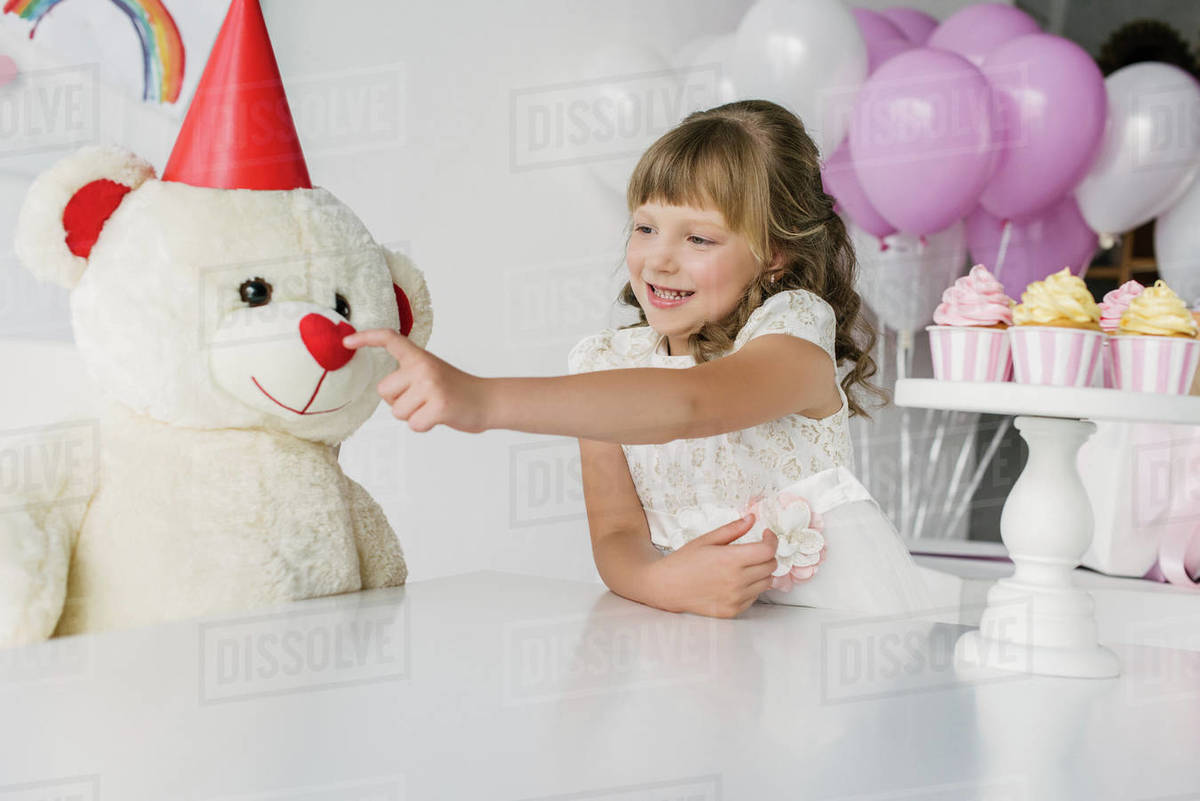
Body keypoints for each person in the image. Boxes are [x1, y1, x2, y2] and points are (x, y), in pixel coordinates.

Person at [345, 100, 931, 619]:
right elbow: (618, 533)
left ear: (774, 254)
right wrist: (659, 580)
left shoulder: (796, 333)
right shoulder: (604, 363)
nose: (658, 260)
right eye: (646, 227)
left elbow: (690, 404)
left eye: (698, 239)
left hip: (838, 630)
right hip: (704, 636)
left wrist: (482, 399)